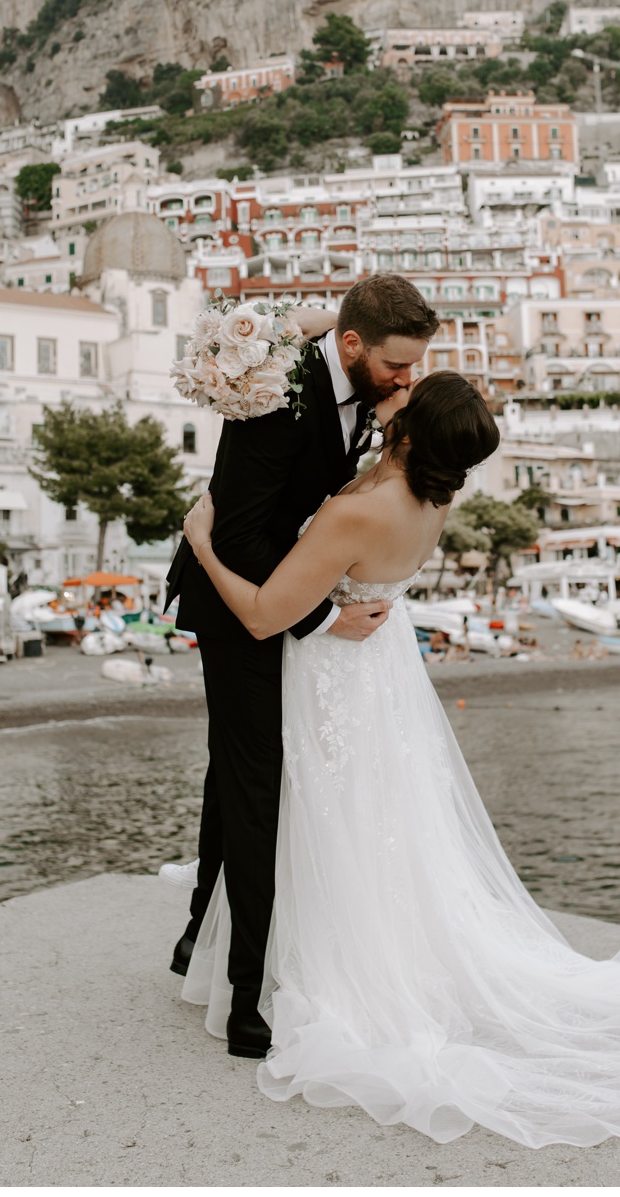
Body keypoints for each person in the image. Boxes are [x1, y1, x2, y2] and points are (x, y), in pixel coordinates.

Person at [172, 371, 620, 1146]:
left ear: (409, 432)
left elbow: (267, 617)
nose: (393, 393)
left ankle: (322, 970)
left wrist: (202, 542)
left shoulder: (355, 510)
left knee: (330, 814)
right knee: (377, 818)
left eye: (406, 396)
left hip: (337, 677)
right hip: (380, 672)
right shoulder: (429, 498)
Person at [162, 274, 434, 1058]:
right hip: (239, 602)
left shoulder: (352, 367)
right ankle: (247, 998)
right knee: (256, 784)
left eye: (415, 367)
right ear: (352, 347)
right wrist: (322, 616)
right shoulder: (274, 400)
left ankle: (195, 938)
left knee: (231, 773)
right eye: (396, 366)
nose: (406, 381)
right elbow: (239, 533)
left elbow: (325, 315)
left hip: (288, 587)